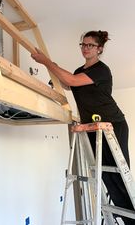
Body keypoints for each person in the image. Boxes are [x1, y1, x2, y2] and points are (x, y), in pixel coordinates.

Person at [31, 30, 134, 224]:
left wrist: (46, 61)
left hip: (113, 125)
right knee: (106, 176)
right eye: (83, 45)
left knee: (119, 175)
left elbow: (71, 81)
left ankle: (132, 216)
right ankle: (123, 215)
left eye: (90, 45)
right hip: (94, 127)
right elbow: (69, 83)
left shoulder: (101, 70)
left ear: (99, 49)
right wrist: (54, 72)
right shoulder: (80, 71)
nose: (85, 48)